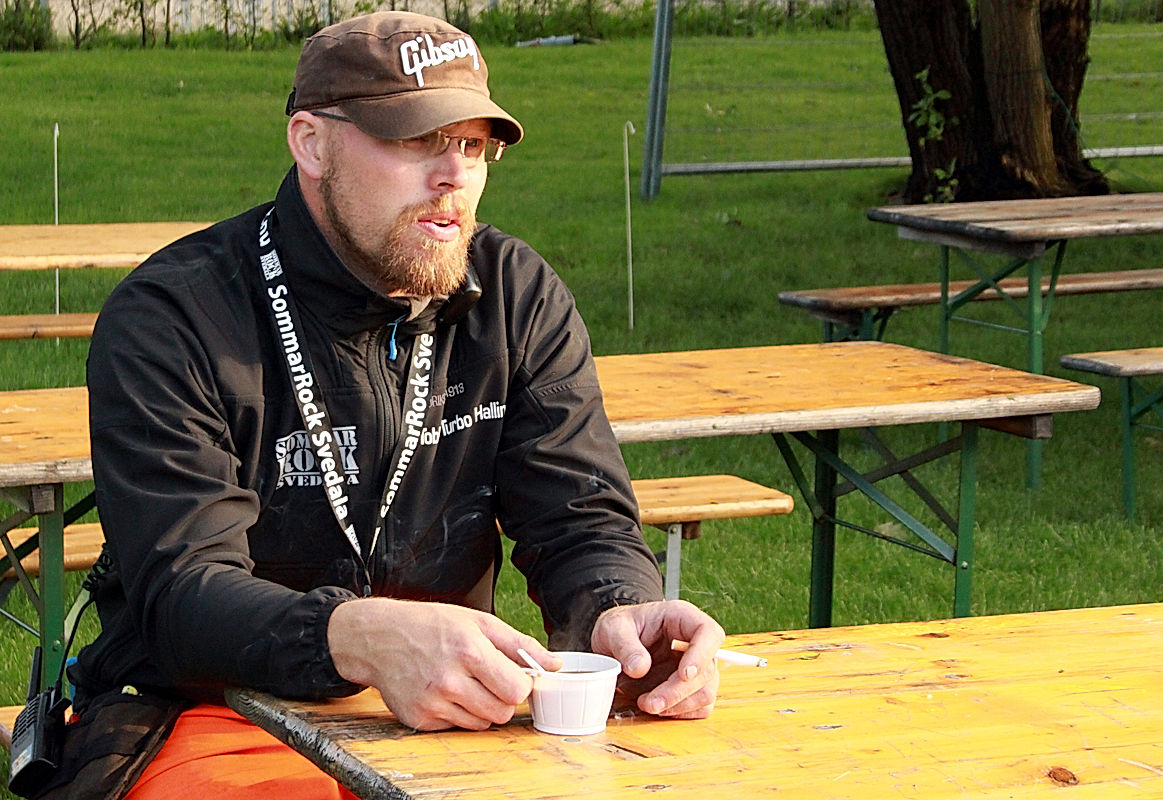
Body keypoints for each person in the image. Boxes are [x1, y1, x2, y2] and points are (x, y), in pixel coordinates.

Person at [35, 11, 725, 800]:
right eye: (417, 140)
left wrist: (618, 608)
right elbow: (182, 593)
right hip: (209, 712)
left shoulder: (514, 295)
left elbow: (579, 519)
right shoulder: (176, 316)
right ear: (312, 144)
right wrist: (359, 639)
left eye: (474, 146)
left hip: (451, 712)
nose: (454, 175)